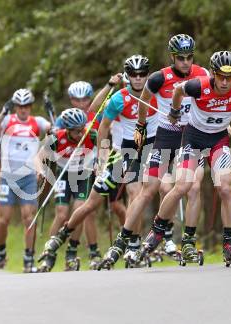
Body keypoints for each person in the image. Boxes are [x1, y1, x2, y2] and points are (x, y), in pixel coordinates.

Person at [99, 34, 211, 268]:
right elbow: (144, 101)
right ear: (172, 56)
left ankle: (188, 241)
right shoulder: (160, 78)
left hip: (192, 136)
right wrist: (140, 126)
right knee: (148, 190)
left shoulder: (202, 74)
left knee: (193, 187)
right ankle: (123, 240)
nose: (186, 62)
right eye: (181, 58)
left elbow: (211, 99)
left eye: (190, 57)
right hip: (166, 137)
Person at [37, 54, 158, 269]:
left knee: (135, 193)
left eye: (142, 74)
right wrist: (102, 157)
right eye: (133, 74)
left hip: (143, 152)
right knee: (91, 203)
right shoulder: (118, 98)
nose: (138, 78)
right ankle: (60, 236)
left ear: (148, 75)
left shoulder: (157, 95)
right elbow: (100, 124)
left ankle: (133, 245)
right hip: (119, 153)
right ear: (127, 76)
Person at [140, 50, 231, 263]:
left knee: (226, 187)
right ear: (212, 73)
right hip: (192, 139)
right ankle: (157, 231)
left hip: (218, 141)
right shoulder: (198, 85)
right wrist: (174, 112)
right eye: (220, 76)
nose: (225, 82)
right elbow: (177, 91)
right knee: (182, 186)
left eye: (230, 77)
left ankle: (230, 244)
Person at [0, 88, 51, 273]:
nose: (23, 109)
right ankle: (0, 254)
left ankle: (28, 259)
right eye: (20, 106)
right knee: (4, 219)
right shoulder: (8, 120)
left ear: (31, 106)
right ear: (15, 106)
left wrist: (52, 114)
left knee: (29, 218)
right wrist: (2, 112)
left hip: (29, 177)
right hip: (8, 176)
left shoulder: (37, 122)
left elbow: (55, 130)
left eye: (26, 106)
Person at [36, 108, 98, 272]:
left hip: (83, 174)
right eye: (77, 131)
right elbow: (39, 157)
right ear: (68, 129)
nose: (80, 134)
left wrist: (100, 163)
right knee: (62, 212)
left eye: (82, 129)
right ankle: (50, 255)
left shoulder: (90, 134)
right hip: (63, 175)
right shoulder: (57, 137)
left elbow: (104, 150)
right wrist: (41, 171)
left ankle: (71, 252)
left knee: (80, 210)